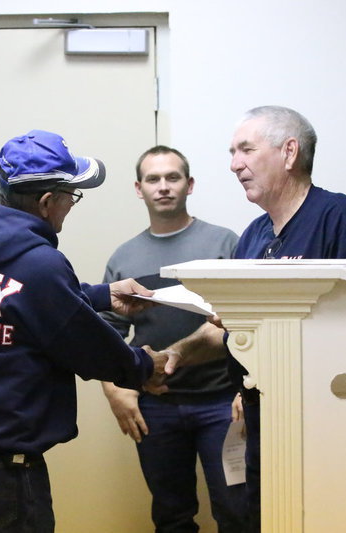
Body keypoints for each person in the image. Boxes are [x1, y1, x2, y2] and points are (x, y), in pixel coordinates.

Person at [0, 129, 177, 533]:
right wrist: (144, 366)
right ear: (46, 202)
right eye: (71, 195)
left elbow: (15, 301)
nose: (72, 204)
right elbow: (86, 345)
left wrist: (103, 295)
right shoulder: (39, 263)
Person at [159, 106, 346, 532]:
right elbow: (225, 324)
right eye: (231, 152)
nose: (233, 163)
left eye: (246, 149)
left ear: (289, 152)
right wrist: (176, 353)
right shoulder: (254, 235)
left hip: (323, 425)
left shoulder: (339, 217)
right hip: (261, 420)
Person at [100, 145, 245, 532]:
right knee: (171, 517)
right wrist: (115, 390)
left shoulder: (225, 245)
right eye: (153, 179)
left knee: (237, 513)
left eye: (172, 177)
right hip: (157, 409)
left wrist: (248, 389)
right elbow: (105, 335)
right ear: (138, 188)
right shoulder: (124, 258)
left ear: (189, 184)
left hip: (222, 402)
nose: (163, 187)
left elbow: (248, 323)